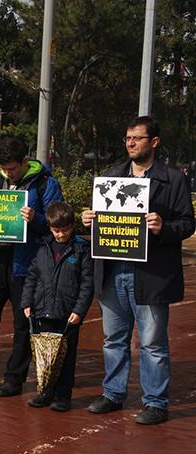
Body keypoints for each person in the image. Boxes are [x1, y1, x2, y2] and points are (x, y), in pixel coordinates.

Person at [82, 116, 195, 425]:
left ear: (154, 142)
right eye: (127, 138)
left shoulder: (173, 179)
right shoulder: (111, 177)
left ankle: (155, 402)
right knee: (113, 340)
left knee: (152, 342)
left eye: (137, 138)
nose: (130, 143)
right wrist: (89, 220)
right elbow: (101, 224)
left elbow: (187, 223)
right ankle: (113, 394)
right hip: (112, 271)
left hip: (151, 274)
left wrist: (164, 227)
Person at [0, 135, 63, 397]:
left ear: (24, 161)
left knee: (23, 323)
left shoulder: (46, 184)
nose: (8, 173)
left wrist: (36, 219)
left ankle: (14, 378)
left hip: (26, 264)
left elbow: (59, 222)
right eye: (4, 168)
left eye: (12, 168)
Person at [21, 201, 93, 412]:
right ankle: (45, 391)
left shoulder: (81, 249)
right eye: (56, 230)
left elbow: (87, 284)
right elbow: (32, 276)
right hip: (43, 308)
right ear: (50, 228)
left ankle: (63, 395)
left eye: (65, 230)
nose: (61, 235)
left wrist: (79, 310)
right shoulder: (43, 247)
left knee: (66, 357)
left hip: (67, 312)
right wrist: (27, 302)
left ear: (72, 226)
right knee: (45, 356)